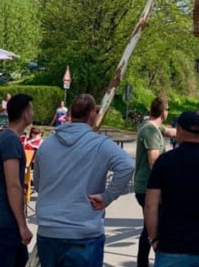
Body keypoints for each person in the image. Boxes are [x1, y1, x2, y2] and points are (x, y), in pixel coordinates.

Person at [34, 94, 134, 267]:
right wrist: (107, 196)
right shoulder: (100, 144)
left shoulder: (47, 144)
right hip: (83, 230)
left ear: (70, 113)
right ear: (92, 115)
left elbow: (38, 183)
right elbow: (127, 166)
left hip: (49, 229)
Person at [144, 111, 199, 267]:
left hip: (171, 246)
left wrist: (154, 238)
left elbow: (150, 205)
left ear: (178, 130)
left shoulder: (164, 162)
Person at [0, 94, 34, 267]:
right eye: (31, 109)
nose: (32, 113)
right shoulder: (10, 140)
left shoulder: (6, 138)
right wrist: (22, 225)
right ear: (25, 114)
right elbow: (13, 185)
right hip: (5, 219)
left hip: (4, 218)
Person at [133, 96, 176, 267]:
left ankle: (143, 262)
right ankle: (145, 262)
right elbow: (154, 162)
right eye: (168, 109)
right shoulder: (150, 132)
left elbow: (171, 132)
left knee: (150, 225)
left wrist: (193, 128)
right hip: (147, 187)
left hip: (148, 187)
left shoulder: (153, 127)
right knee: (152, 227)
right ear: (163, 112)